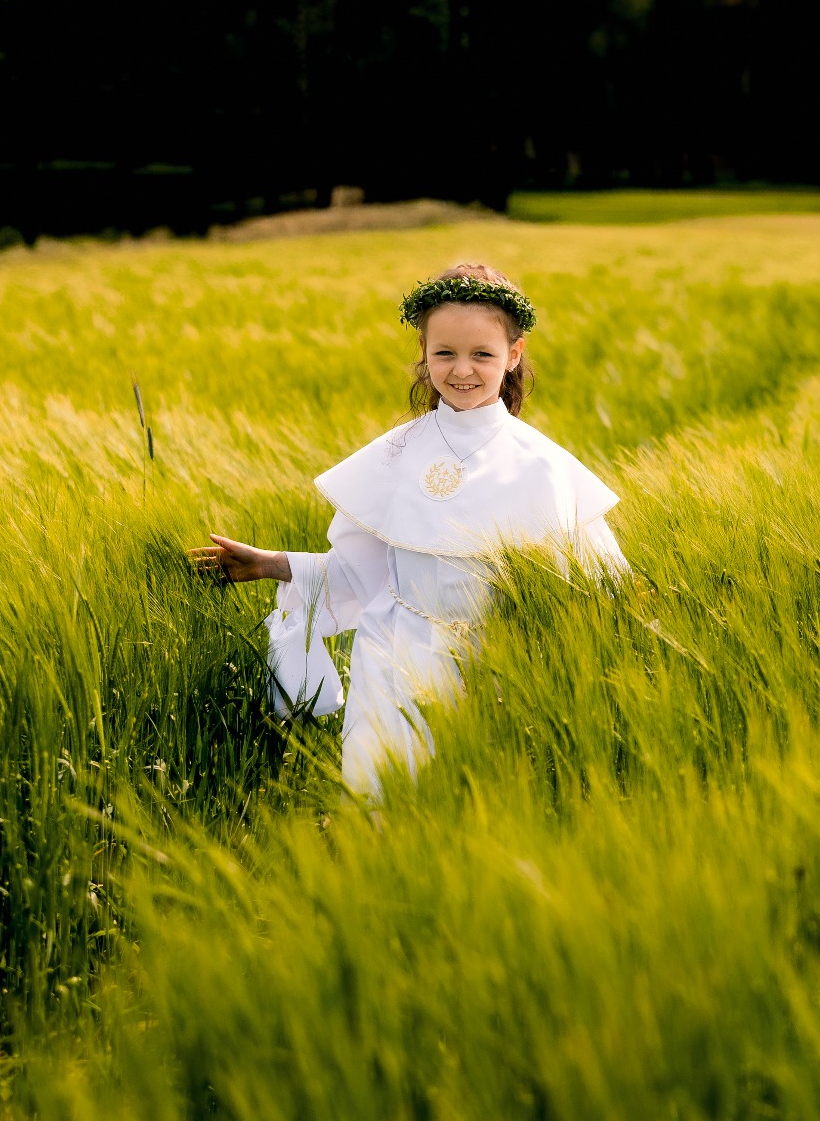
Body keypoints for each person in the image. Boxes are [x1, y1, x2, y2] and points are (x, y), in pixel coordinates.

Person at [190, 263, 627, 799]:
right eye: (445, 353)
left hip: (498, 667)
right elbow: (362, 571)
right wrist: (273, 564)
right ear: (423, 350)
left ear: (513, 356)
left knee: (480, 802)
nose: (461, 369)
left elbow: (594, 589)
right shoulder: (393, 455)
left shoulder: (544, 468)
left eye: (482, 354)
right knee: (383, 798)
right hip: (393, 654)